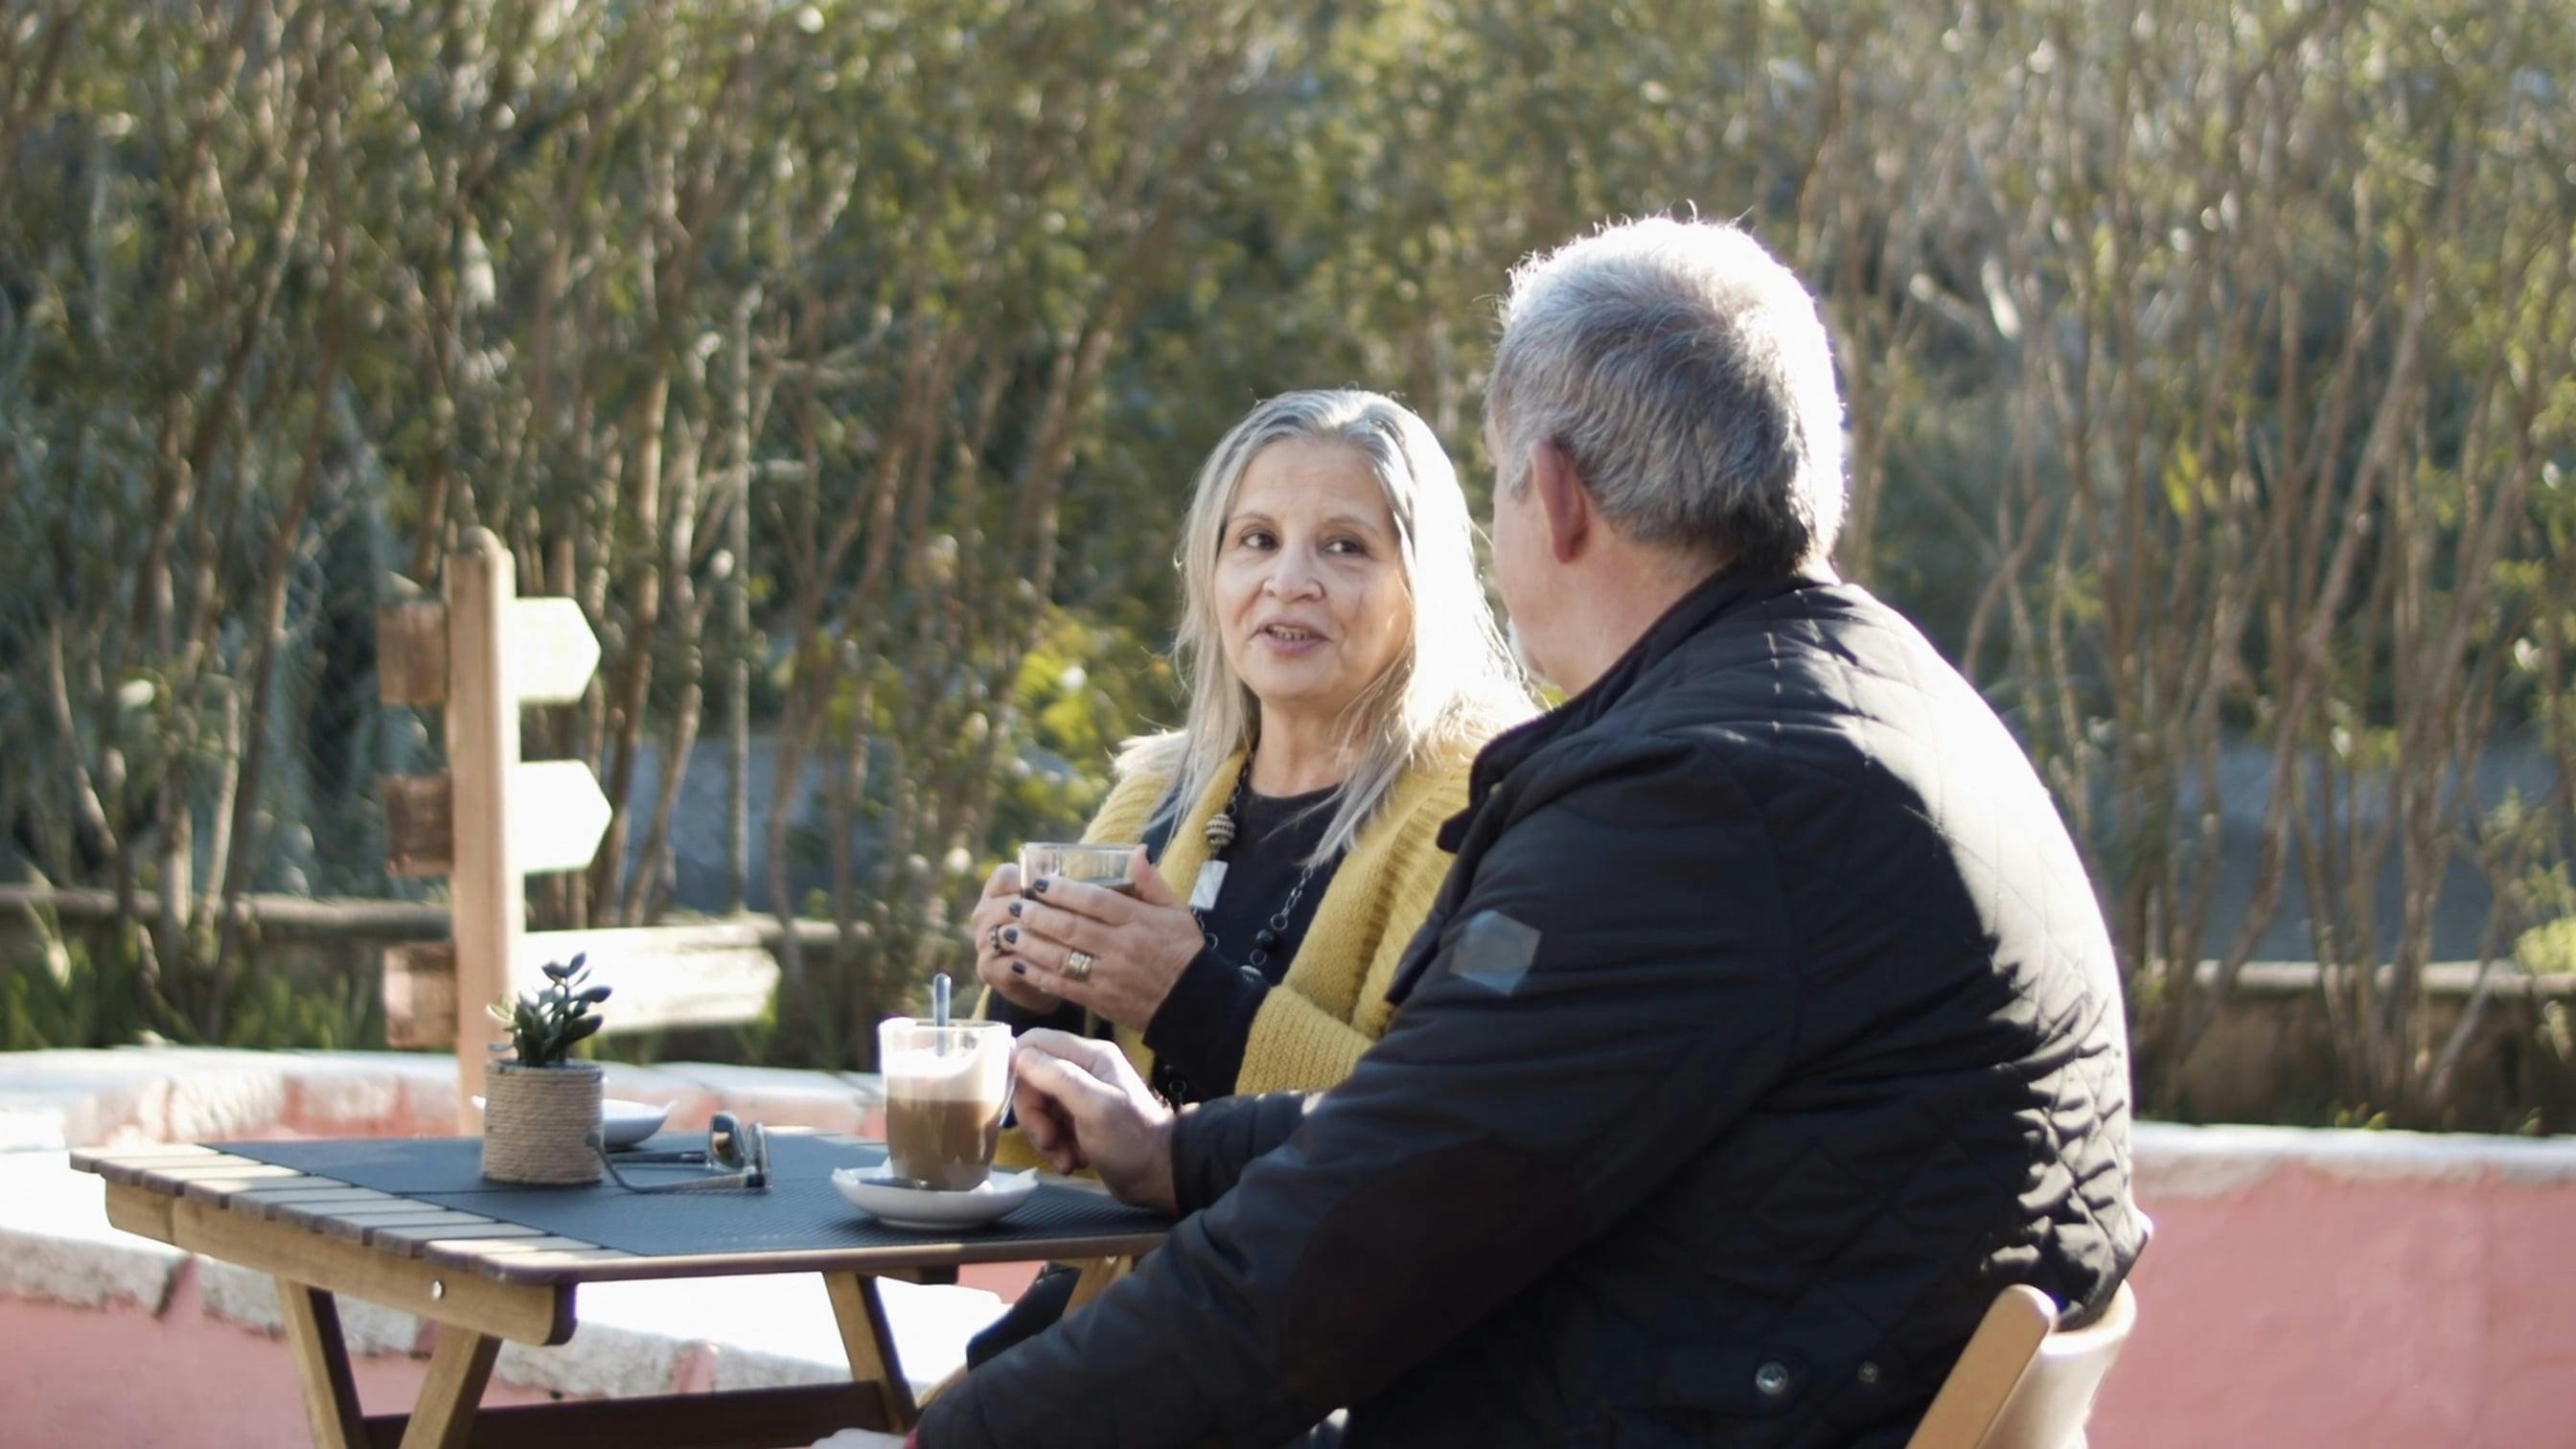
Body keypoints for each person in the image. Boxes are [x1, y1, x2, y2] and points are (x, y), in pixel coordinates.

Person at [845, 216, 2148, 1449]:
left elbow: (1346, 1255)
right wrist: (1177, 1151)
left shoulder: (1698, 797)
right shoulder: (1873, 703)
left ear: (1553, 494)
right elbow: (1451, 1128)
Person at [960, 388, 1533, 1364]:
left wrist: (1190, 998)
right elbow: (1014, 1147)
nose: (1290, 581)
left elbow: (1434, 1130)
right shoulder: (1160, 791)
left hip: (1316, 1359)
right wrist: (1028, 999)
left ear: (1422, 581)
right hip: (1111, 1326)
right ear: (1212, 575)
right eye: (1256, 540)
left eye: (1345, 546)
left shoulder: (1478, 797)